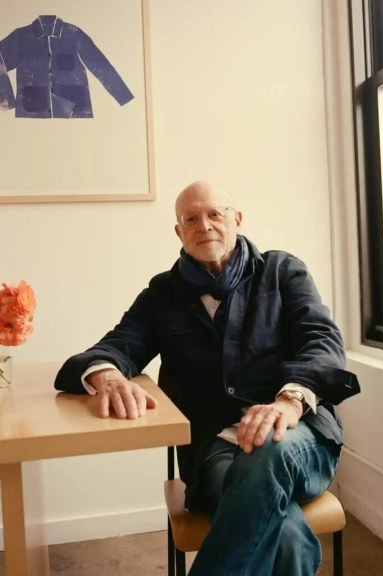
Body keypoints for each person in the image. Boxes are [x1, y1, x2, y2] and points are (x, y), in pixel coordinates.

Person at [55, 180, 360, 576]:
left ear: (236, 219)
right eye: (191, 218)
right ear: (179, 232)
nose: (205, 225)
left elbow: (323, 340)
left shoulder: (282, 270)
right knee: (286, 534)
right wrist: (108, 376)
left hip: (298, 438)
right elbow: (112, 347)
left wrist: (288, 402)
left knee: (269, 448)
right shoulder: (162, 293)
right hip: (215, 452)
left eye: (215, 213)